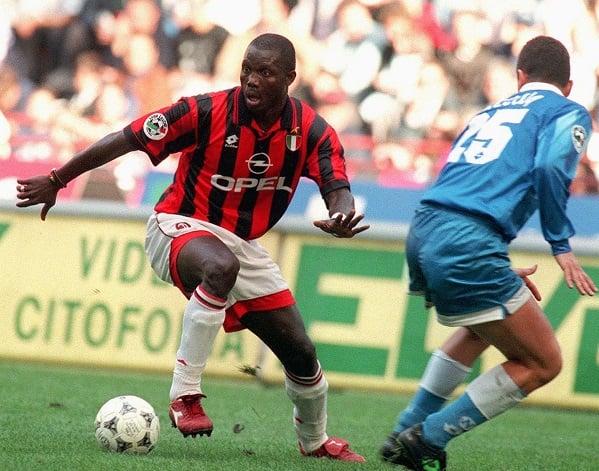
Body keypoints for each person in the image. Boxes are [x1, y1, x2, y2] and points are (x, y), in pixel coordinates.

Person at [16, 33, 369, 462]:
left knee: (302, 354)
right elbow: (126, 137)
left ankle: (315, 443)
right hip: (176, 226)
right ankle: (185, 394)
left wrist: (342, 213)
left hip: (241, 245)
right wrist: (57, 180)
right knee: (219, 265)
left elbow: (337, 186)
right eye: (247, 69)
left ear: (290, 78)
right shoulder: (205, 111)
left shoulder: (310, 130)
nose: (252, 80)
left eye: (265, 72)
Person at [379, 35, 597, 471]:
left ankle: (407, 426)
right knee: (543, 363)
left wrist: (486, 256)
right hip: (468, 239)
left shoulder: (489, 111)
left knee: (482, 326)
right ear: (569, 86)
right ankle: (427, 438)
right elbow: (551, 167)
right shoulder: (566, 112)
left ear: (520, 78)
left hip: (425, 230)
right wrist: (560, 244)